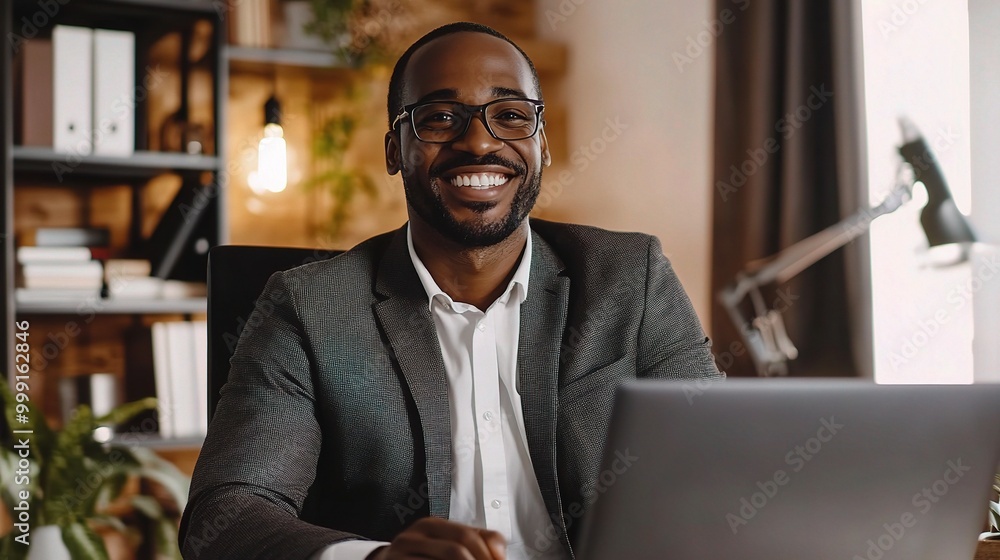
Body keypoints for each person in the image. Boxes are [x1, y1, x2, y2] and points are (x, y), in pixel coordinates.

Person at [180, 22, 722, 560]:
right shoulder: (309, 308)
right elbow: (227, 512)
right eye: (440, 118)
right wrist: (376, 559)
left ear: (542, 143)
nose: (480, 142)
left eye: (510, 115)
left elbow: (720, 457)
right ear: (395, 150)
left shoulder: (631, 277)